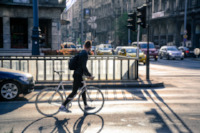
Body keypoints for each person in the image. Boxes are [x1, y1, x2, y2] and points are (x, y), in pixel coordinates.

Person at [59, 40, 95, 112]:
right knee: (74, 92)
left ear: (84, 45)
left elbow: (81, 66)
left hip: (78, 74)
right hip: (78, 75)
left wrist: (86, 74)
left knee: (83, 89)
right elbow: (83, 66)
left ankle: (86, 106)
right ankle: (63, 106)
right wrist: (89, 75)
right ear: (90, 47)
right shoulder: (85, 54)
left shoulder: (82, 52)